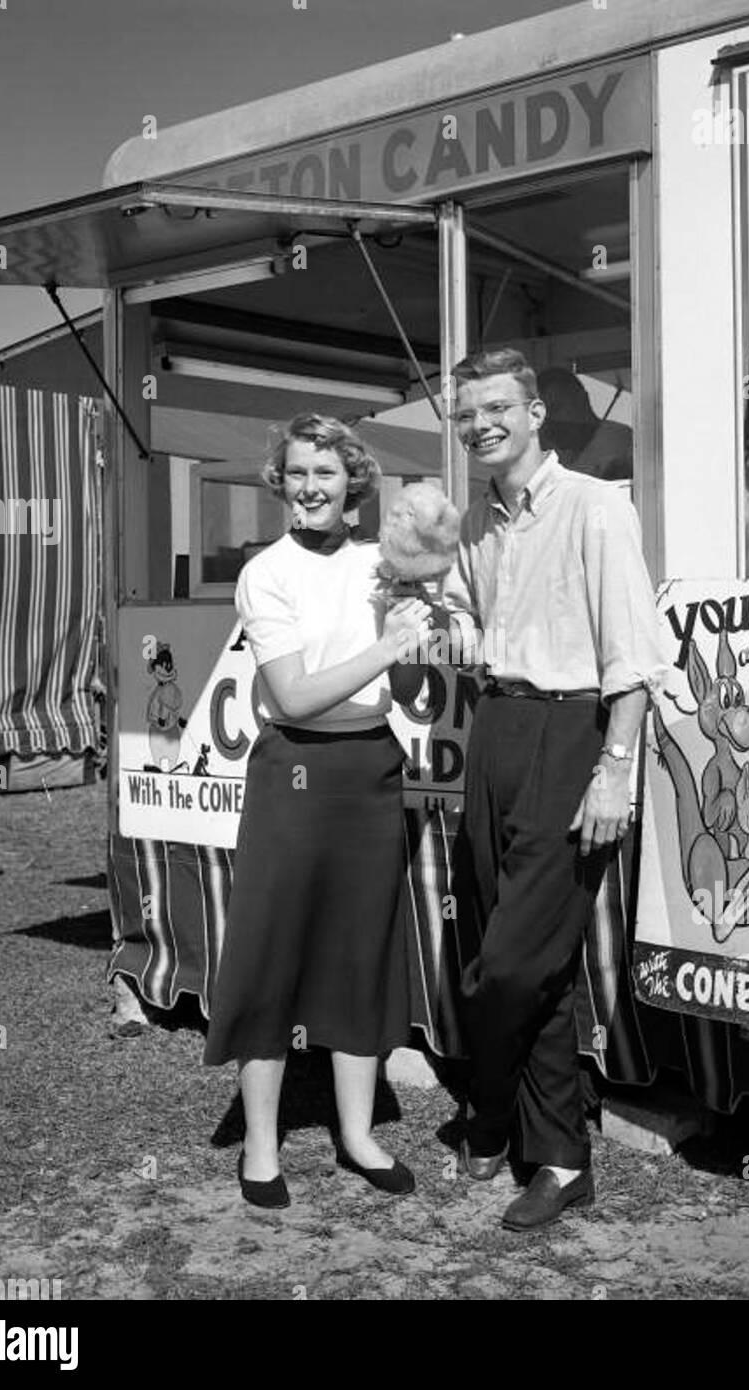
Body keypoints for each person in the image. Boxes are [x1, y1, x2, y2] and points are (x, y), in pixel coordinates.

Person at [440, 347, 665, 1231]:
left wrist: (613, 772)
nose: (480, 424)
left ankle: (496, 1112)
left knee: (511, 962)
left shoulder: (597, 507)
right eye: (465, 415)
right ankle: (560, 1156)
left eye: (496, 407)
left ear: (535, 413)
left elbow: (634, 657)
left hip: (570, 733)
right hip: (493, 729)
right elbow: (466, 610)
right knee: (535, 962)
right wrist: (452, 626)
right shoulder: (474, 519)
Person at [203, 412, 432, 1207]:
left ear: (354, 483)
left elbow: (401, 689)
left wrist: (421, 629)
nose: (310, 488)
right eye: (298, 473)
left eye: (326, 474)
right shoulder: (265, 572)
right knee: (272, 948)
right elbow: (295, 694)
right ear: (280, 482)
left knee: (359, 949)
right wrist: (386, 647)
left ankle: (358, 1136)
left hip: (370, 766)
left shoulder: (382, 564)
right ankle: (260, 1148)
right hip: (292, 770)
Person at [536, 365, 633, 483]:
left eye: (555, 408)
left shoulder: (620, 440)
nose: (550, 420)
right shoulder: (551, 458)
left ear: (581, 399)